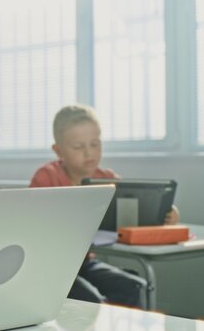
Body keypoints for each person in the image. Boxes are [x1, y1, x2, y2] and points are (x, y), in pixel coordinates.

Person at [30, 104, 180, 308]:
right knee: (92, 301)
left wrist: (167, 215)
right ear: (58, 151)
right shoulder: (46, 177)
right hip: (51, 267)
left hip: (84, 263)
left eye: (94, 144)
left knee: (135, 287)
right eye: (78, 147)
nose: (88, 153)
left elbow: (137, 218)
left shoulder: (109, 181)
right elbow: (33, 225)